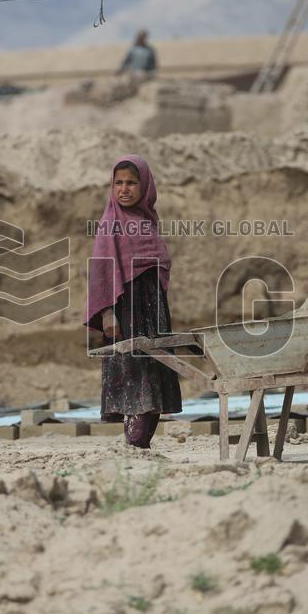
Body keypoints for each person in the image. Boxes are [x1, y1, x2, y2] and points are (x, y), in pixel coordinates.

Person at [85, 155, 182, 448]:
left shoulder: (148, 221)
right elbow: (102, 271)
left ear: (146, 186)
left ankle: (140, 446)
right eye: (118, 183)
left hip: (154, 310)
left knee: (155, 371)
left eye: (131, 183)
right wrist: (107, 313)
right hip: (125, 309)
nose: (123, 189)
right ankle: (135, 444)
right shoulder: (110, 223)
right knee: (134, 374)